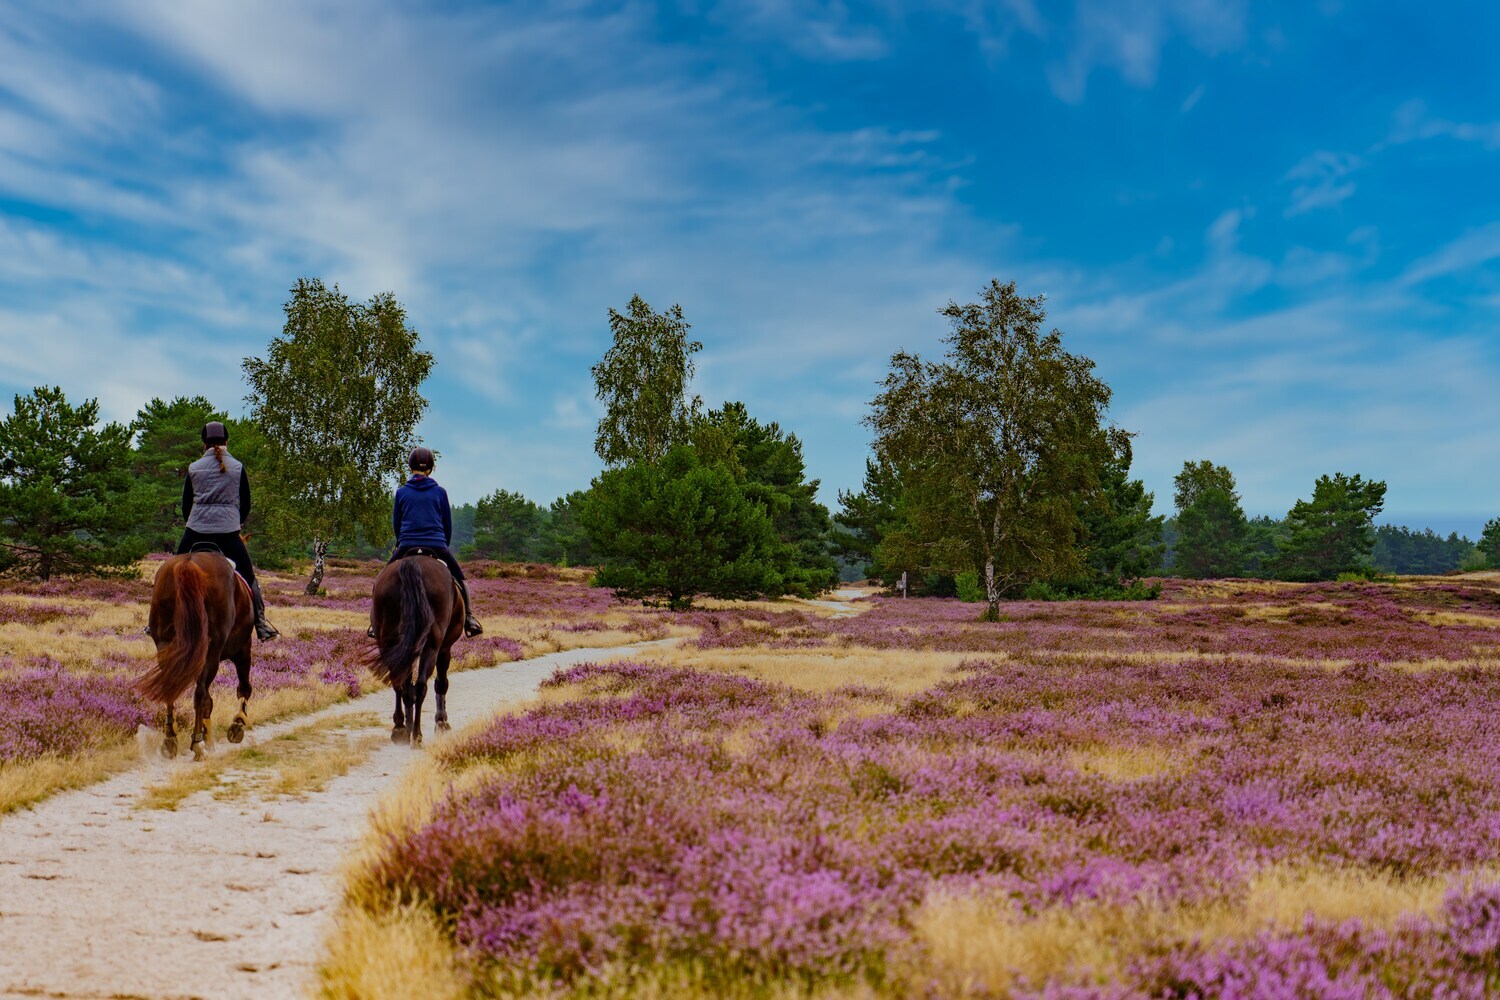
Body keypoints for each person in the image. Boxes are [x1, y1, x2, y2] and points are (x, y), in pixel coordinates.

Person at [176, 421, 278, 641]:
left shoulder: (193, 468)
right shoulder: (238, 467)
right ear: (226, 442)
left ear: (203, 443)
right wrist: (235, 523)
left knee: (171, 571)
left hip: (196, 531)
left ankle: (158, 621)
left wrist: (194, 522)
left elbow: (186, 504)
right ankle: (260, 623)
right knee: (249, 576)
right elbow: (246, 503)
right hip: (228, 534)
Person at [369, 447, 483, 639]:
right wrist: (442, 544)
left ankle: (374, 622)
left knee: (381, 578)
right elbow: (447, 524)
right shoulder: (440, 492)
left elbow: (397, 523)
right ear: (431, 468)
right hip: (436, 544)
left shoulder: (402, 492)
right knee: (460, 578)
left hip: (406, 544)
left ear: (410, 467)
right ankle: (469, 618)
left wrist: (402, 541)